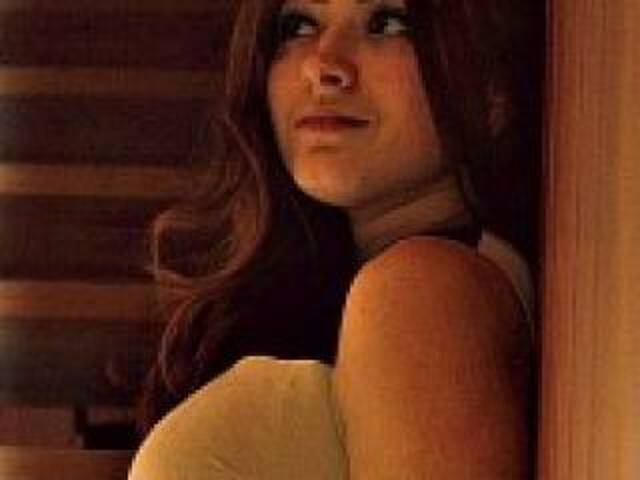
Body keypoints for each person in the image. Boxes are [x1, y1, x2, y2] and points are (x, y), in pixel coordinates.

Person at [129, 0, 543, 477]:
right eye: (299, 26)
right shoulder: (349, 296)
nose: (323, 66)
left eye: (388, 24)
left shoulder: (423, 288)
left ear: (494, 90)